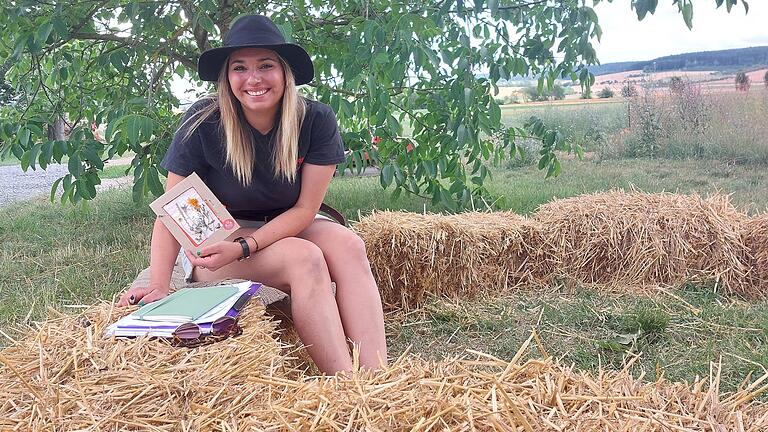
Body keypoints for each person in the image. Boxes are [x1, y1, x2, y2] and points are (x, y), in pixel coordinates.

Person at [118, 15, 387, 374]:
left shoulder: (315, 119)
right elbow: (175, 210)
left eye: (266, 65)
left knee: (350, 246)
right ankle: (345, 386)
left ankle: (377, 380)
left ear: (285, 72)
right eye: (240, 67)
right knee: (304, 258)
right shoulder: (203, 121)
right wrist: (159, 284)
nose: (253, 79)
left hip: (288, 219)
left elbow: (306, 208)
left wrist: (249, 245)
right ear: (227, 77)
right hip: (220, 234)